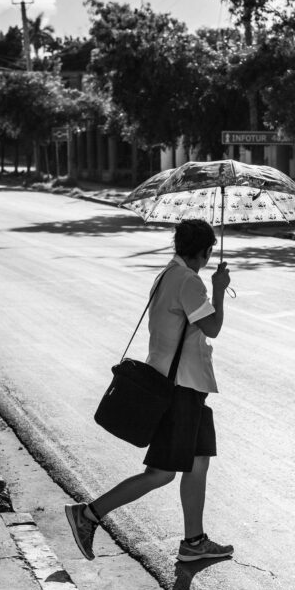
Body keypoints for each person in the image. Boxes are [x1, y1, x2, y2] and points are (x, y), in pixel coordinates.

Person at [65, 219, 234, 564]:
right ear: (203, 251)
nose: (209, 258)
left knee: (199, 461)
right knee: (161, 473)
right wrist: (219, 287)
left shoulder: (168, 275)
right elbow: (213, 328)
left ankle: (194, 541)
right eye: (209, 252)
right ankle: (89, 514)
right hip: (180, 388)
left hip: (189, 386)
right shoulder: (188, 282)